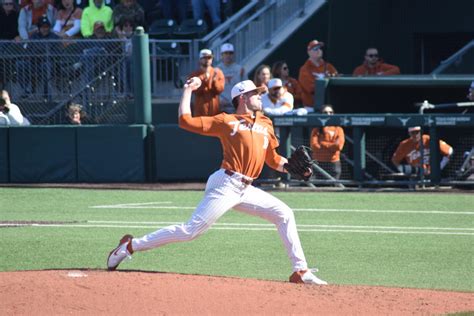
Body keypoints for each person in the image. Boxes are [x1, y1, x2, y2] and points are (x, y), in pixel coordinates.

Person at [107, 78, 328, 285]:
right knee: (190, 231)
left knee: (285, 213)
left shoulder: (266, 123)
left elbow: (273, 159)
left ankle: (300, 271)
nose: (261, 96)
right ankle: (130, 245)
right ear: (242, 97)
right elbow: (185, 121)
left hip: (247, 187)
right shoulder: (226, 121)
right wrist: (188, 90)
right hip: (226, 184)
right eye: (255, 94)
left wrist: (291, 167)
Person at [298, 39, 338, 109]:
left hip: (328, 107)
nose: (319, 50)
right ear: (309, 52)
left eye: (320, 48)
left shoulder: (328, 66)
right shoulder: (305, 69)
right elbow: (311, 88)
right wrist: (326, 81)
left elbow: (337, 78)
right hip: (311, 107)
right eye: (316, 49)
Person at [310, 105, 344, 180]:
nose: (328, 114)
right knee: (317, 188)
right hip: (318, 163)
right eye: (325, 112)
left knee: (333, 188)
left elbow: (339, 146)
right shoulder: (316, 129)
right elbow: (314, 146)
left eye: (330, 112)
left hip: (333, 163)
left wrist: (322, 143)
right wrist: (331, 146)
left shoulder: (339, 129)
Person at [187, 48, 225, 117]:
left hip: (214, 111)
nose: (207, 60)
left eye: (209, 57)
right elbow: (196, 91)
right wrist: (204, 80)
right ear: (200, 59)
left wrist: (214, 80)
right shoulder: (194, 75)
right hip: (200, 111)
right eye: (204, 58)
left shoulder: (217, 72)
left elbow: (220, 90)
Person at [216, 43, 246, 114]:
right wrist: (219, 100)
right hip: (221, 106)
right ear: (221, 55)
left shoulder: (240, 69)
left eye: (230, 53)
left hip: (236, 106)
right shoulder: (216, 70)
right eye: (226, 53)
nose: (228, 55)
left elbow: (245, 88)